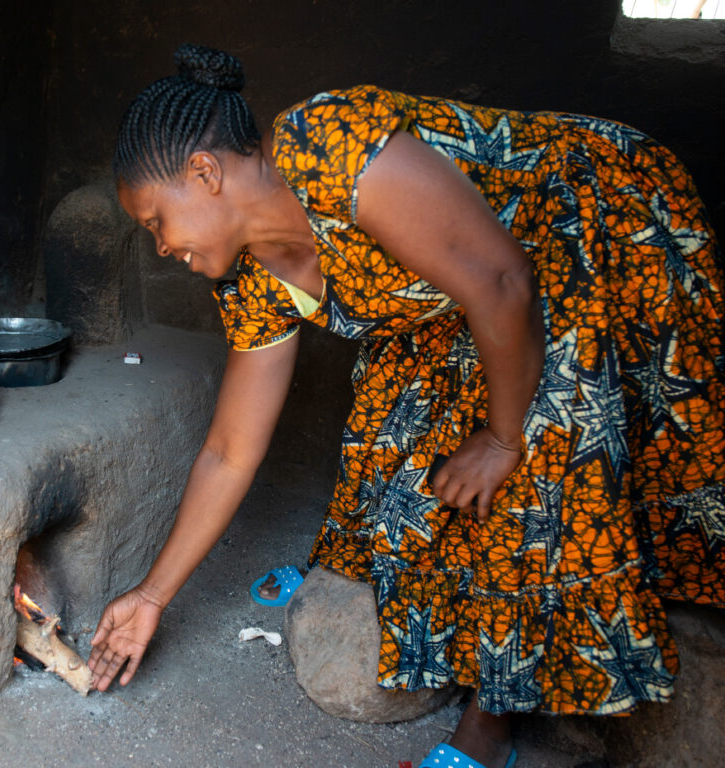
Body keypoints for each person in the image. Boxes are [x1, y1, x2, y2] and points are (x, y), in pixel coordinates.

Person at [87, 43, 725, 768]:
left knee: (542, 452)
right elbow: (231, 450)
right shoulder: (252, 283)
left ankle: (492, 722)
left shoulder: (329, 144)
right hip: (465, 290)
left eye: (154, 222)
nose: (160, 246)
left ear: (203, 174)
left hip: (587, 220)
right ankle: (402, 587)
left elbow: (505, 281)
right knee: (394, 426)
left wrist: (502, 438)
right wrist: (152, 597)